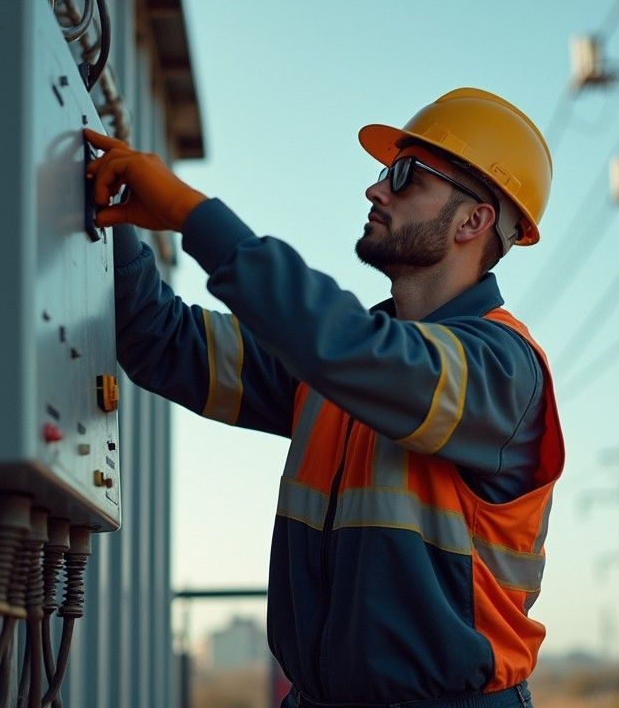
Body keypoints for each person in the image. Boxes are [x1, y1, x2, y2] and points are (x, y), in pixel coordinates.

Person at [86, 87, 564, 707]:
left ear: (473, 221)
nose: (376, 190)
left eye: (404, 176)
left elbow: (350, 352)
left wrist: (193, 215)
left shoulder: (501, 370)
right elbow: (162, 340)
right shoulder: (343, 363)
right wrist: (113, 213)